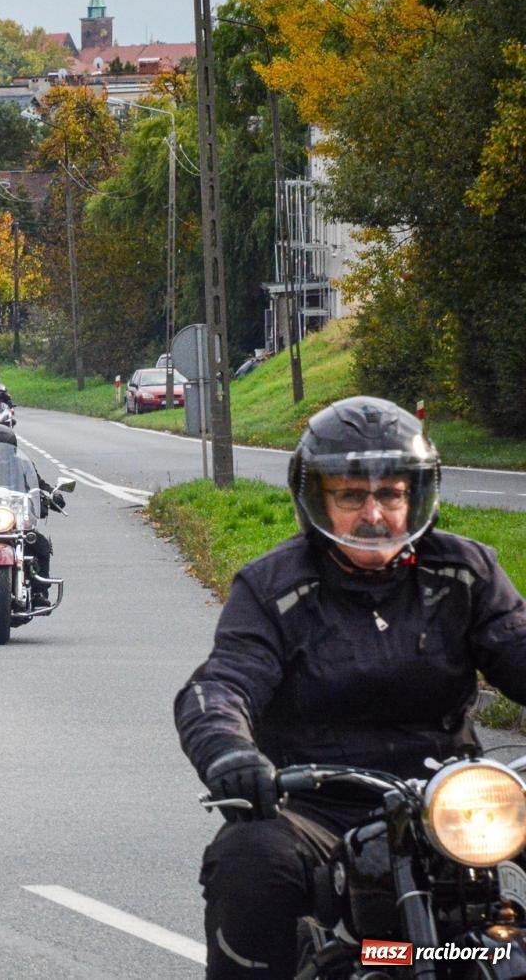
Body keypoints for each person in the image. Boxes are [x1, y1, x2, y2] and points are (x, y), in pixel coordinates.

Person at [173, 397, 526, 979]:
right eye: (351, 496)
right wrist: (231, 753)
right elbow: (221, 684)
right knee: (250, 859)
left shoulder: (465, 572)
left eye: (390, 494)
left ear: (416, 496)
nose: (375, 515)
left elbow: (516, 648)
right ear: (317, 500)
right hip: (315, 806)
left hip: (454, 807)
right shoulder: (273, 587)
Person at [0, 424, 61, 603]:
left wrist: (51, 494)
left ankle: (39, 591)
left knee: (40, 544)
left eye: (2, 450)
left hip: (14, 518)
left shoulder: (22, 463)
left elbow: (37, 483)